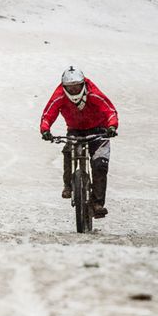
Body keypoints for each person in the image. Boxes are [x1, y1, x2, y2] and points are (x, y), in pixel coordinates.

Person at [40, 66, 118, 217]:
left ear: (83, 84)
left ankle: (97, 203)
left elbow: (110, 110)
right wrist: (45, 129)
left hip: (99, 129)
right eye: (70, 87)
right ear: (64, 87)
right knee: (68, 151)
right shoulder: (59, 95)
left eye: (77, 86)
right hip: (75, 129)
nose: (74, 90)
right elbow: (49, 113)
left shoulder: (93, 93)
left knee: (100, 165)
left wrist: (112, 126)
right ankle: (68, 185)